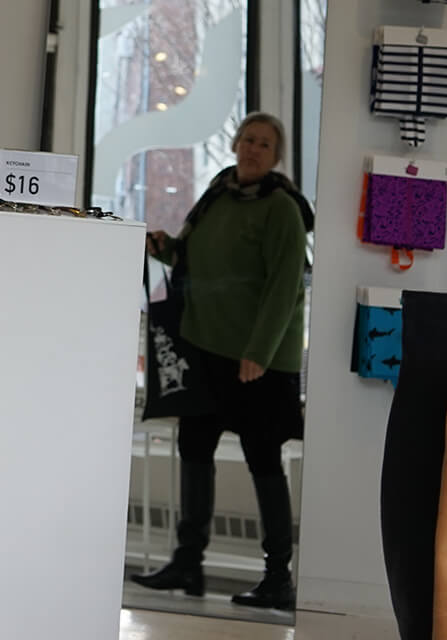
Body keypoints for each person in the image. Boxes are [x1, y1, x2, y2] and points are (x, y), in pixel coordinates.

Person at [130, 113, 312, 612]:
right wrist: (165, 248)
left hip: (256, 361)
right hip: (206, 348)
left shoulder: (282, 210)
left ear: (277, 157)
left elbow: (284, 287)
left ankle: (278, 577)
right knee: (194, 448)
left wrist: (259, 352)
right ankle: (187, 561)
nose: (253, 148)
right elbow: (196, 260)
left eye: (265, 144)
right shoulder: (217, 195)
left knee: (263, 460)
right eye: (248, 139)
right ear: (235, 143)